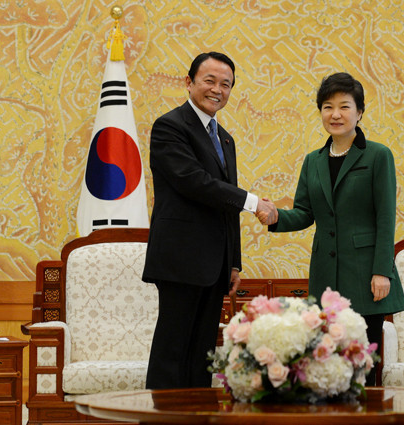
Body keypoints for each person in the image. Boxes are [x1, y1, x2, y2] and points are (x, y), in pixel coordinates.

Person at [258, 72, 404, 385]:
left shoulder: (378, 155)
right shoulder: (313, 161)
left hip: (365, 275)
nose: (335, 114)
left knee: (363, 363)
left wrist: (382, 271)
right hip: (325, 274)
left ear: (359, 112)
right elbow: (304, 213)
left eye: (344, 106)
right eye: (328, 107)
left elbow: (385, 218)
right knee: (328, 361)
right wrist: (276, 218)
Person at [142, 51, 277, 389]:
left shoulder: (225, 138)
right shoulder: (170, 126)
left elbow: (224, 204)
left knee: (201, 353)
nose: (218, 90)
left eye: (226, 84)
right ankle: (161, 413)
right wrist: (254, 202)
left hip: (214, 265)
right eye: (210, 81)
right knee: (173, 349)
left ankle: (196, 412)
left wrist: (233, 262)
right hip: (180, 259)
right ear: (189, 82)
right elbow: (194, 182)